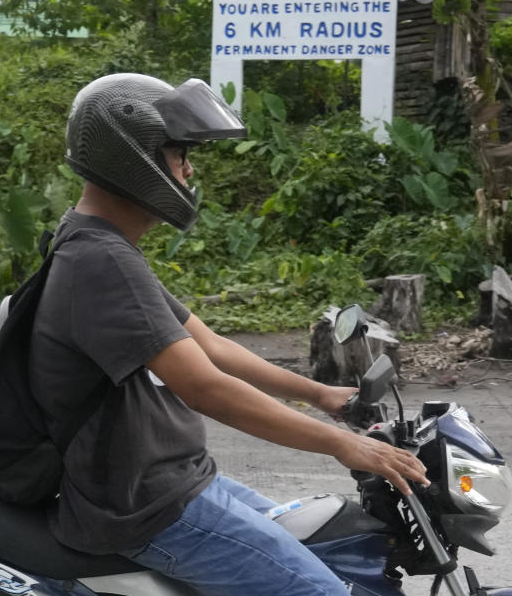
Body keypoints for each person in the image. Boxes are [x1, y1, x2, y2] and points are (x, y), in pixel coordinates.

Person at [27, 73, 428, 596]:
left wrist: (319, 394)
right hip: (147, 506)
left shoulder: (95, 242)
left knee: (341, 543)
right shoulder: (100, 260)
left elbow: (211, 347)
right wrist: (342, 445)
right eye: (177, 155)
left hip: (176, 481)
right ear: (131, 158)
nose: (189, 170)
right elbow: (206, 387)